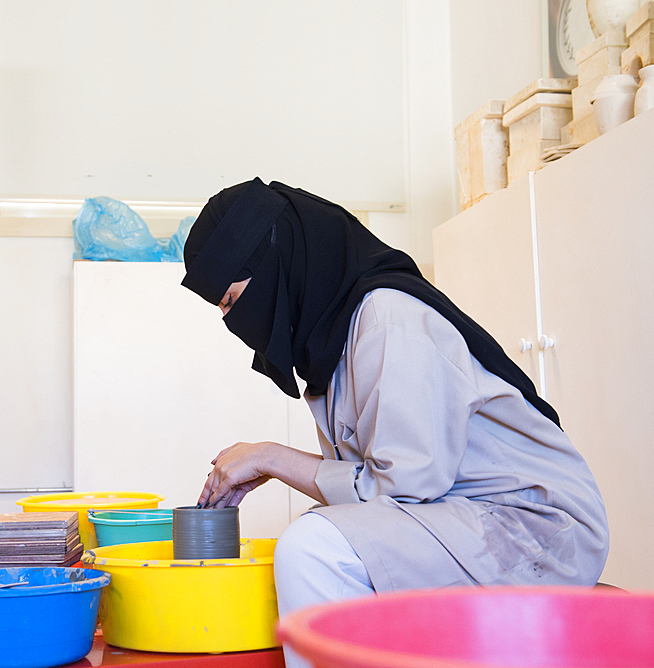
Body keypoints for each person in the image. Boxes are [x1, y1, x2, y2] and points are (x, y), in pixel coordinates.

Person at [181, 178, 609, 668]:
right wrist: (270, 459)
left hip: (536, 528)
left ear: (277, 265)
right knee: (326, 541)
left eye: (233, 301)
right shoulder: (328, 348)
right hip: (462, 516)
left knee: (313, 546)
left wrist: (270, 457)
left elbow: (399, 489)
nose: (234, 322)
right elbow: (375, 495)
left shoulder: (388, 320)